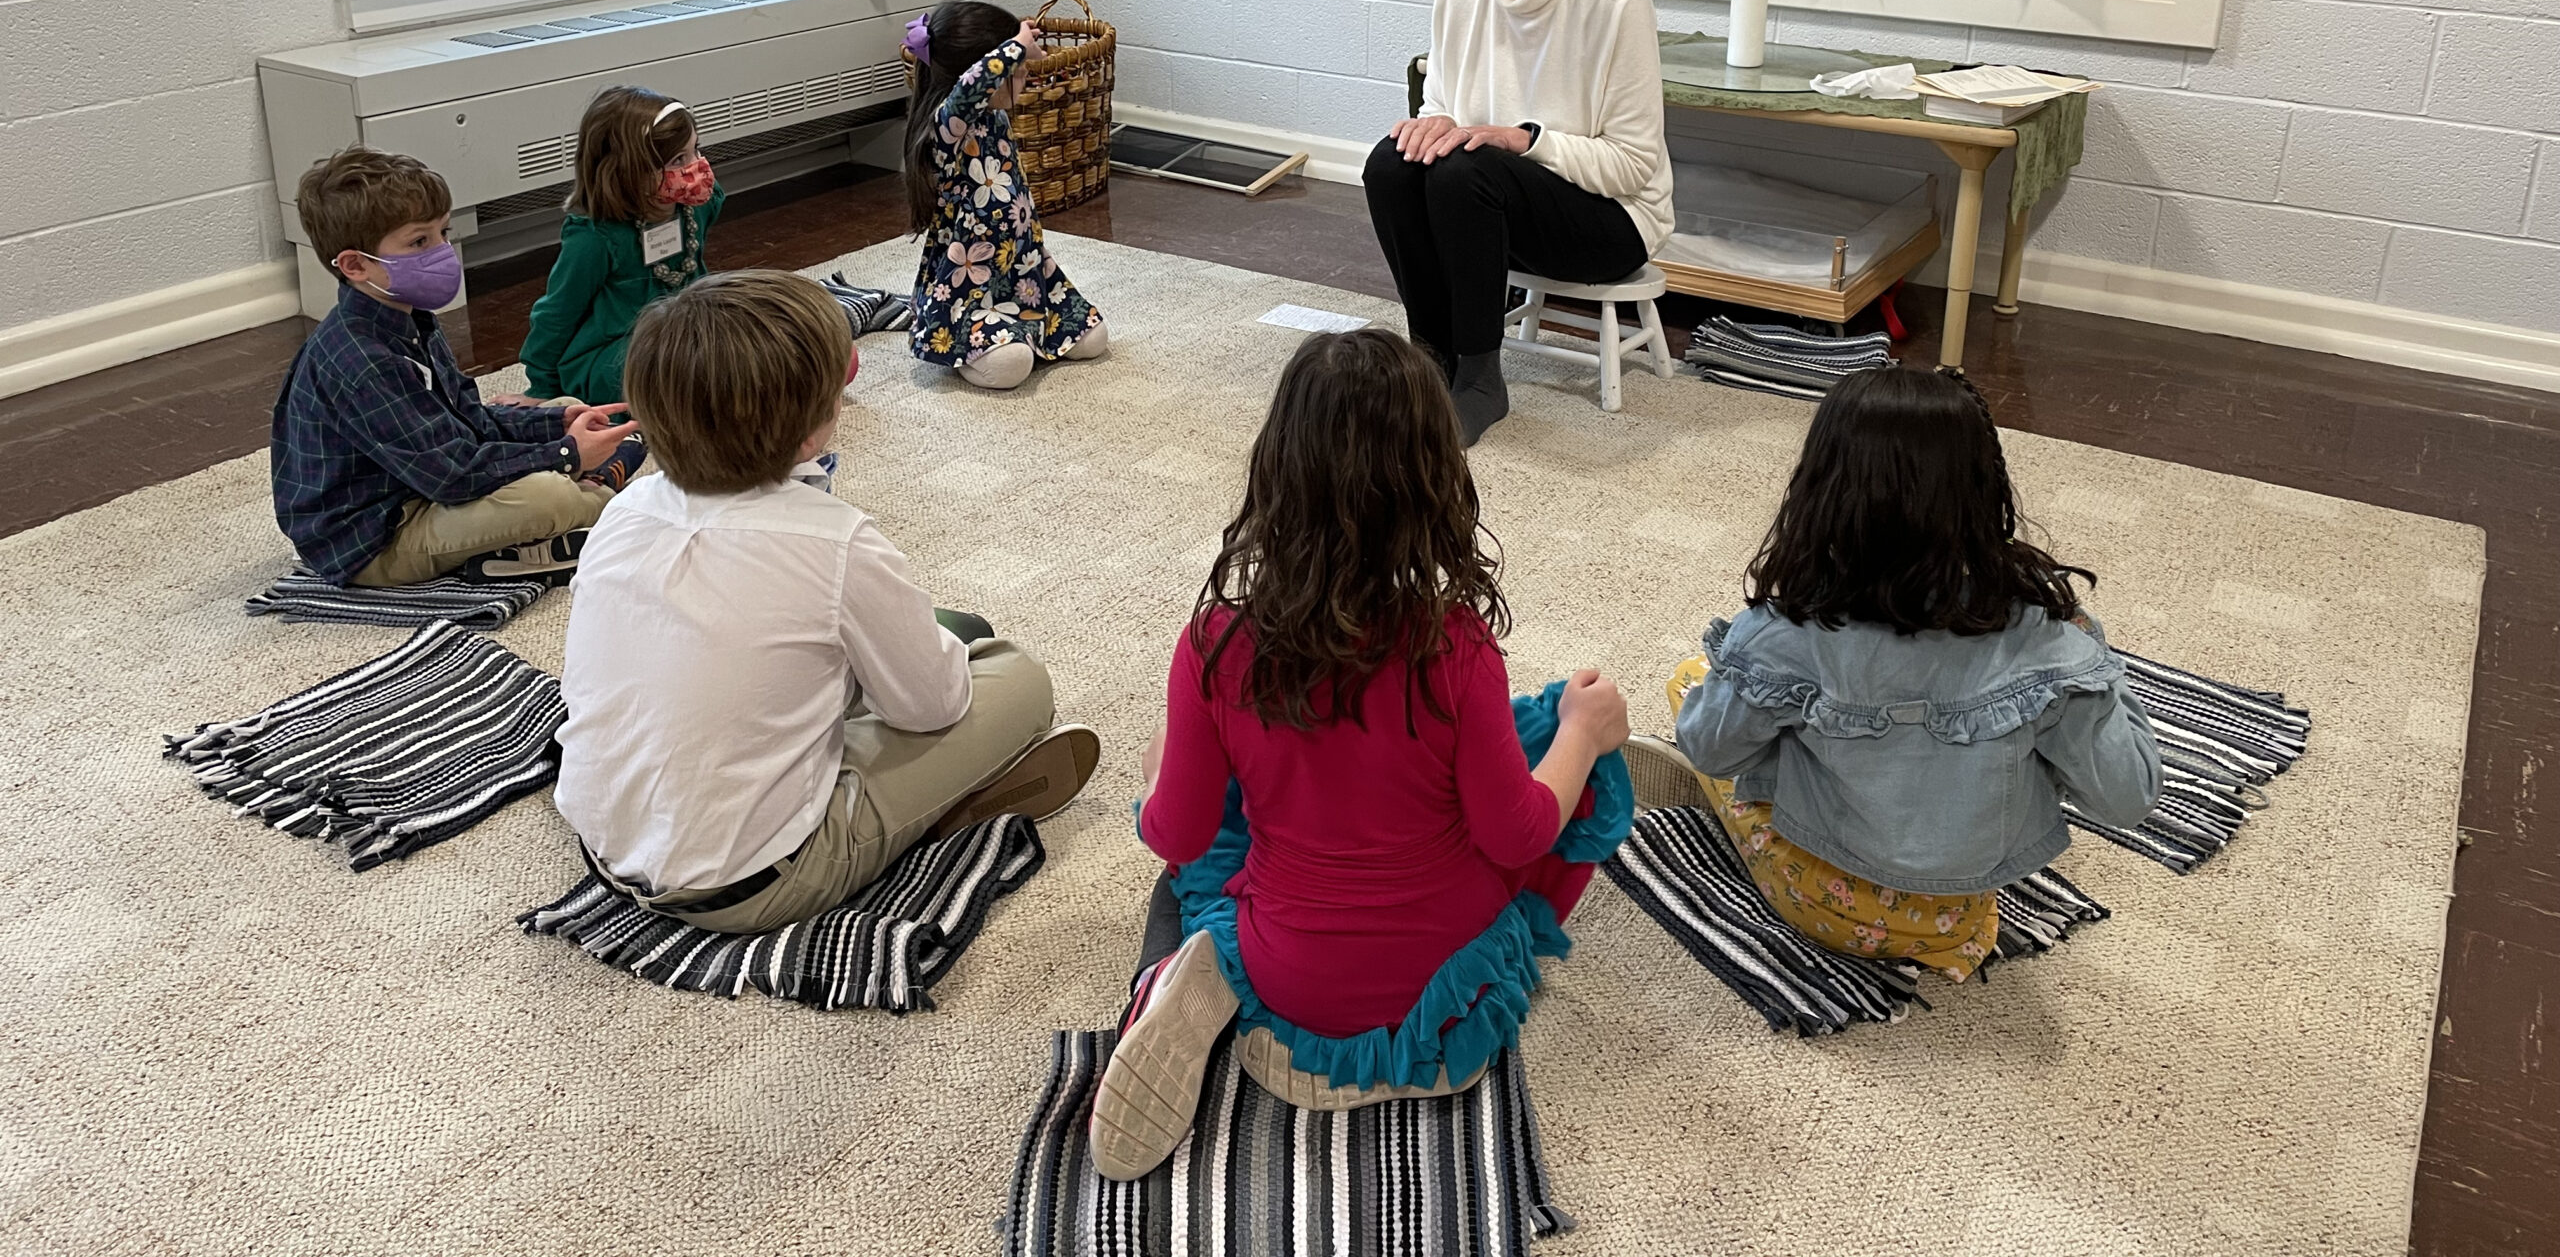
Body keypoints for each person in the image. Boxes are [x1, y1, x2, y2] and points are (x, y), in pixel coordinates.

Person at [1088, 330, 1632, 1179]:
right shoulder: (1456, 643)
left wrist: (1166, 762)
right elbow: (1518, 835)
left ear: (1275, 472)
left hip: (1290, 973)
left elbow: (1178, 836)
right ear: (1435, 482)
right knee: (1558, 726)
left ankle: (1170, 980)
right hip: (1444, 979)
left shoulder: (1216, 644)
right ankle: (1590, 731)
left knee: (1207, 839)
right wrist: (1583, 732)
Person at [555, 268, 1100, 933]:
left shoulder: (625, 508)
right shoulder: (835, 541)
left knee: (864, 649)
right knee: (1015, 676)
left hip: (601, 840)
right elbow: (933, 708)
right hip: (748, 885)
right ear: (816, 429)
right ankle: (926, 815)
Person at [1625, 365, 2162, 979]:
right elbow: (2129, 798)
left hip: (1821, 897)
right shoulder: (2048, 642)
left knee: (1697, 686)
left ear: (1820, 489)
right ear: (1986, 489)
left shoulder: (1782, 634)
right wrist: (2094, 665)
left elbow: (1712, 749)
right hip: (1963, 917)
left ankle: (1715, 810)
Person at [1362, 0, 1674, 445]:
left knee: (1468, 171)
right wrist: (1432, 126)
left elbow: (1633, 165)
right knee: (1393, 162)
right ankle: (1431, 358)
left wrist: (1527, 140)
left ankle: (1480, 379)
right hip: (1490, 203)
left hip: (1610, 221)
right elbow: (1442, 104)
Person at [270, 146, 638, 587]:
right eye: (420, 241)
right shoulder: (361, 361)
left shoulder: (410, 317)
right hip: (378, 539)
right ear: (355, 265)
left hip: (418, 487)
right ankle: (601, 498)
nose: (444, 251)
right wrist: (566, 454)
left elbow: (469, 421)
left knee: (570, 406)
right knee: (547, 495)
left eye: (443, 232)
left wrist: (558, 422)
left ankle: (581, 500)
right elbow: (453, 475)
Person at [901, 0, 1108, 392]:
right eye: (1017, 67)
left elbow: (979, 87)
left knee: (1095, 339)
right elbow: (970, 89)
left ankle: (1021, 333)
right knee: (1013, 366)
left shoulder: (993, 117)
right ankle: (978, 344)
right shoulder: (948, 126)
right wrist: (1014, 46)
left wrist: (1016, 44)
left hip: (1024, 272)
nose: (1026, 72)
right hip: (970, 290)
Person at [519, 86, 726, 413]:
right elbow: (557, 311)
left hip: (686, 325)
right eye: (678, 160)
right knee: (669, 373)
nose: (696, 167)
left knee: (741, 334)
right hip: (617, 350)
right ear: (627, 170)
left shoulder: (695, 207)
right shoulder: (594, 238)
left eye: (695, 150)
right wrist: (542, 388)